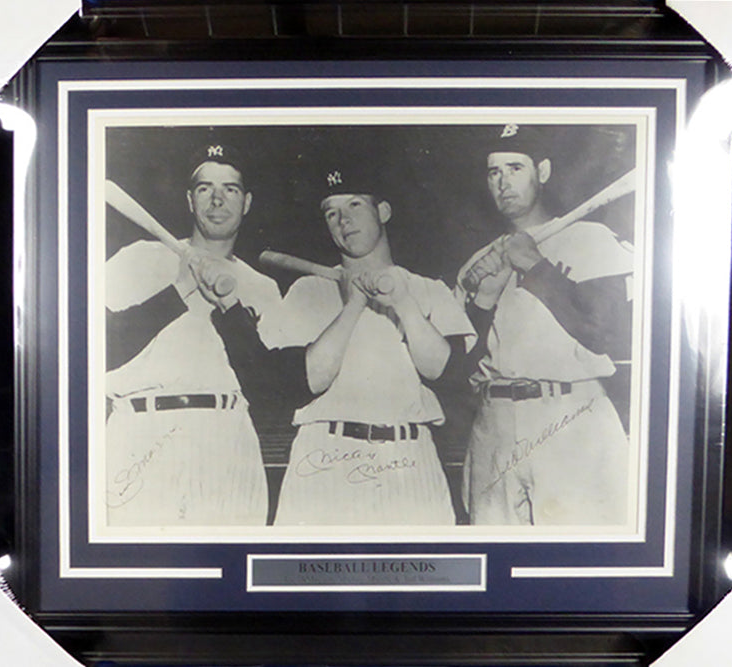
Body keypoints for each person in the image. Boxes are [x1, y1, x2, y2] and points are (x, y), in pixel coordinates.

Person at [202, 161, 475, 525]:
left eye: (354, 205)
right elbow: (305, 383)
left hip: (410, 457)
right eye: (331, 213)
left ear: (383, 211)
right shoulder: (307, 291)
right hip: (324, 455)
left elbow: (447, 375)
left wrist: (404, 304)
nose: (342, 220)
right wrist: (353, 306)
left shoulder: (428, 289)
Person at [456, 124, 633, 526]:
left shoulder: (591, 238)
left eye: (515, 168)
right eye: (494, 172)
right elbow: (460, 369)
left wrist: (535, 267)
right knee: (497, 559)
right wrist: (482, 300)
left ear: (544, 171)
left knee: (580, 558)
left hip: (572, 414)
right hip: (494, 420)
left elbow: (609, 335)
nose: (503, 182)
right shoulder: (479, 261)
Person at [104, 142, 280, 527]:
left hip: (229, 437)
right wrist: (180, 287)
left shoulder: (262, 286)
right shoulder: (141, 257)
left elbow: (265, 384)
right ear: (190, 199)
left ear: (247, 202)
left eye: (230, 189)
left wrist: (230, 310)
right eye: (205, 188)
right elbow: (97, 354)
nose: (218, 200)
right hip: (144, 432)